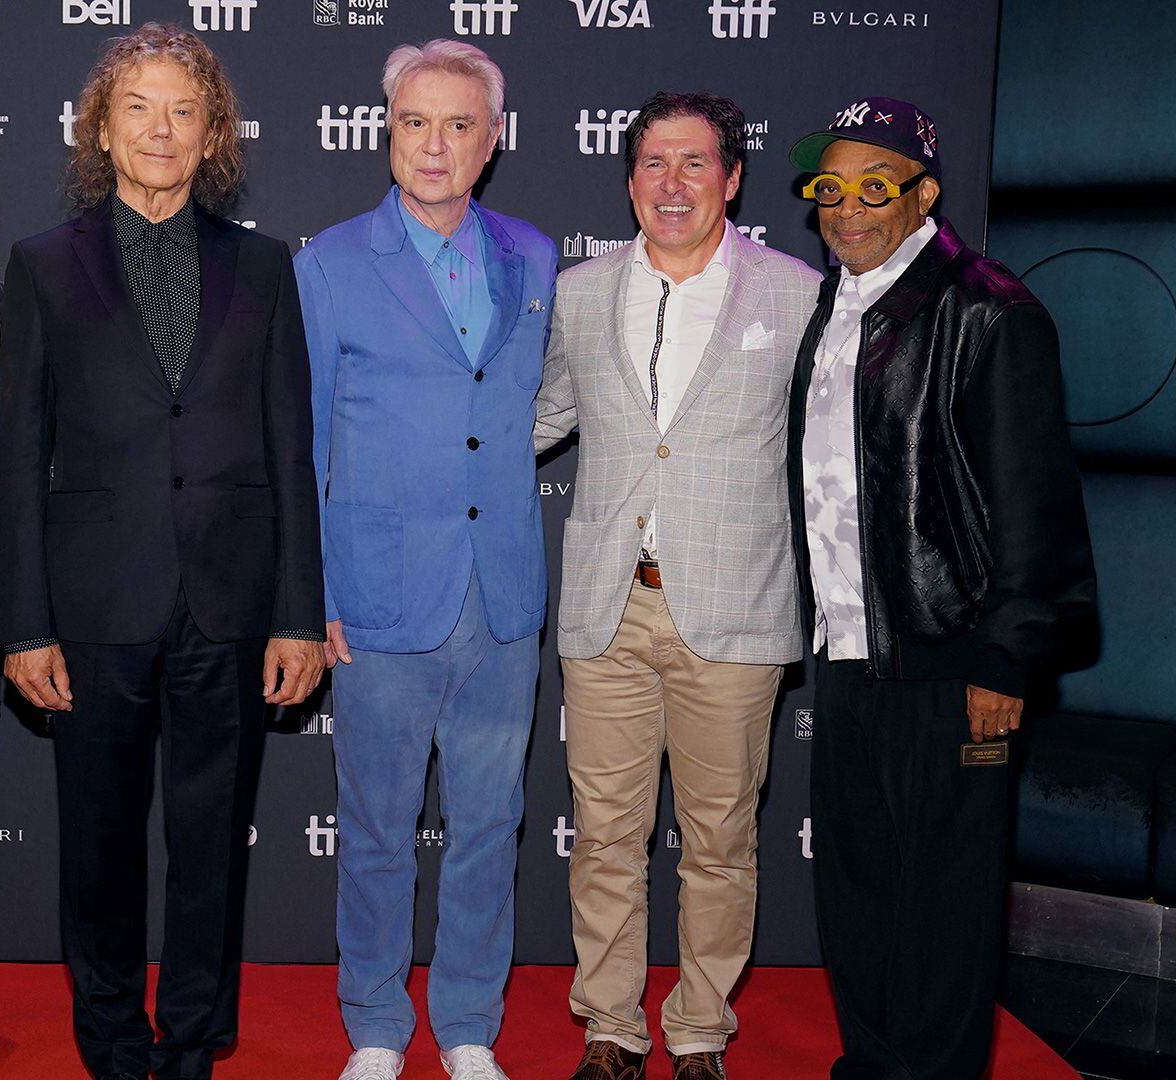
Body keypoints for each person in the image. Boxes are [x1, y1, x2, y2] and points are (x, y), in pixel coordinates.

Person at [0, 22, 325, 1080]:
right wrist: (26, 622)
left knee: (209, 846)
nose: (161, 128)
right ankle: (110, 1038)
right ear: (100, 124)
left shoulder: (265, 268)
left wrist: (295, 612)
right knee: (96, 845)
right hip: (93, 607)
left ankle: (191, 1037)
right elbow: (19, 456)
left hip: (228, 605)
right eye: (138, 106)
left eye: (184, 109)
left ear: (214, 132)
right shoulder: (43, 266)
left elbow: (289, 445)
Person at [786, 97, 1095, 1079]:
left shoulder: (988, 311)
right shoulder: (838, 303)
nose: (846, 208)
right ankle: (871, 1065)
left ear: (925, 194)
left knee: (947, 904)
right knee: (861, 884)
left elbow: (1033, 502)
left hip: (953, 659)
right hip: (850, 648)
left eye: (874, 188)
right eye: (829, 188)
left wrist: (1007, 658)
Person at [531, 92, 821, 1080]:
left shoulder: (796, 293)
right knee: (605, 837)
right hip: (606, 607)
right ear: (629, 178)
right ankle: (611, 1026)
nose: (672, 183)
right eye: (653, 163)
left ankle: (700, 1030)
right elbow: (546, 414)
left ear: (733, 178)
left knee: (719, 841)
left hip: (737, 611)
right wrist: (430, 461)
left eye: (694, 163)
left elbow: (829, 450)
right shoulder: (579, 291)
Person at [296, 39, 556, 1080]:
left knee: (492, 827)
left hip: (501, 595)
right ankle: (371, 1024)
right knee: (375, 831)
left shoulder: (535, 257)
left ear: (492, 141)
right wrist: (314, 595)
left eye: (458, 125)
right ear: (386, 133)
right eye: (414, 123)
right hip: (378, 597)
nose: (434, 144)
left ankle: (466, 1027)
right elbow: (306, 439)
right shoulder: (327, 263)